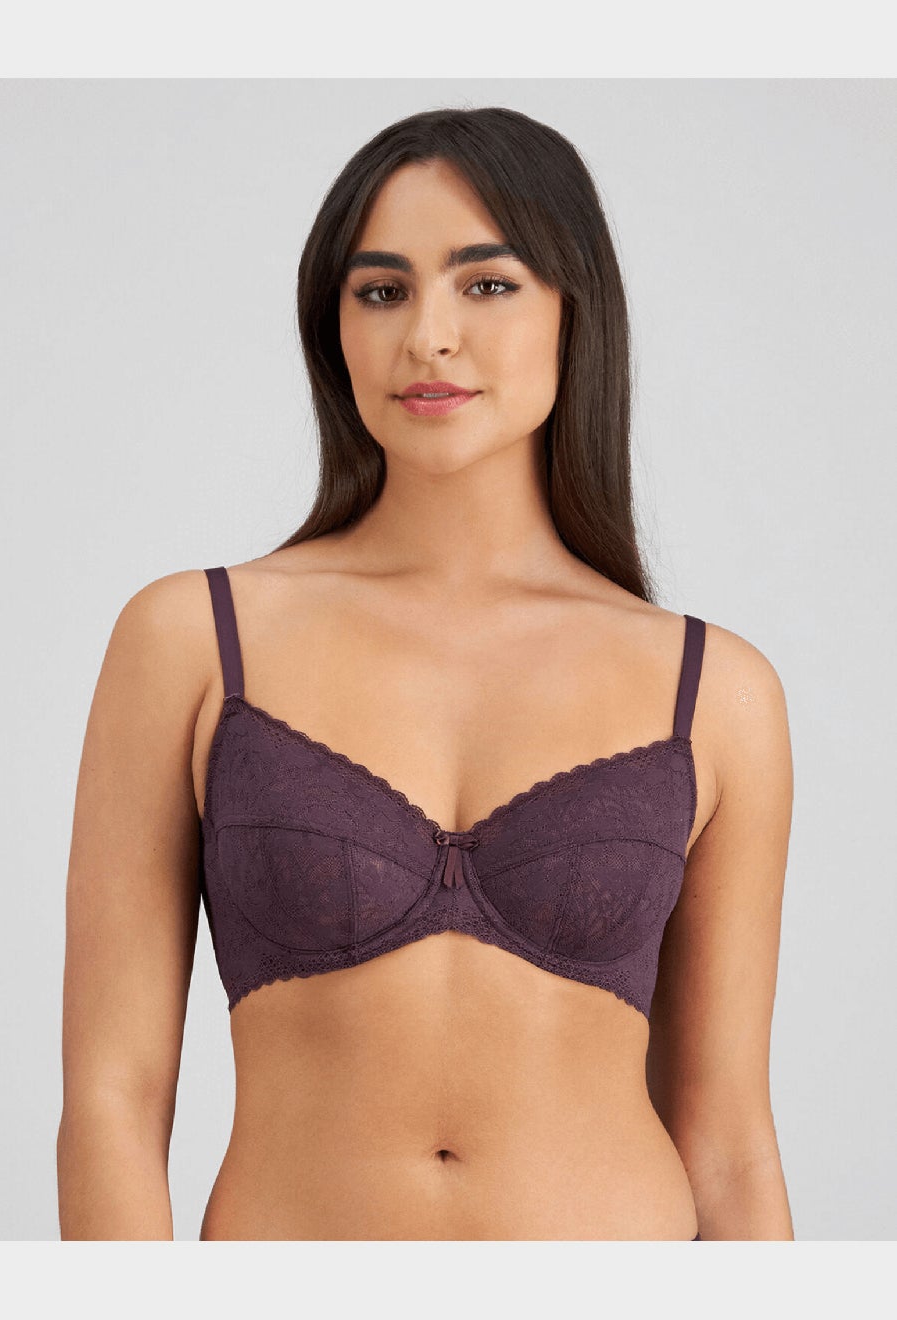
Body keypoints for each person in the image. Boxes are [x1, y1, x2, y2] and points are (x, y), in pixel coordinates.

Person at [56, 106, 795, 1241]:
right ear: (334, 329)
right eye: (382, 290)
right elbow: (112, 1100)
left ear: (575, 311)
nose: (429, 337)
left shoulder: (717, 690)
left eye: (487, 284)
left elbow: (731, 1144)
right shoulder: (194, 639)